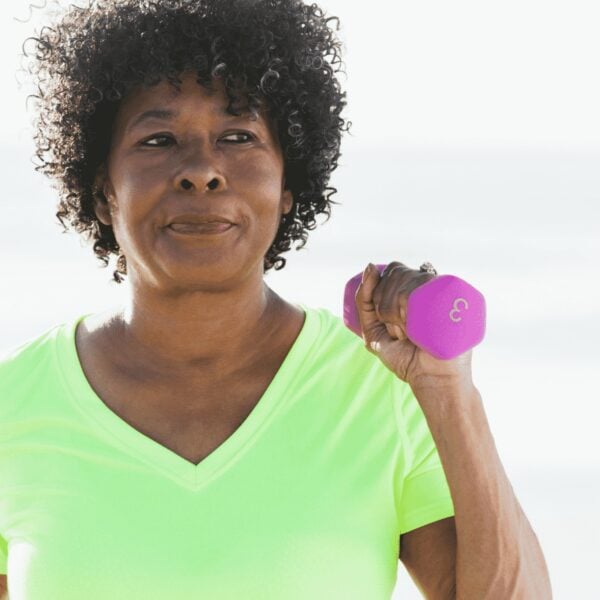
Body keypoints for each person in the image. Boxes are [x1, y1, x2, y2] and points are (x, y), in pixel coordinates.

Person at [0, 1, 474, 598]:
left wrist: (448, 391)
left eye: (238, 136)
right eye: (158, 139)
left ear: (288, 187)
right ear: (102, 192)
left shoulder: (381, 388)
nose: (201, 170)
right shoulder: (11, 404)